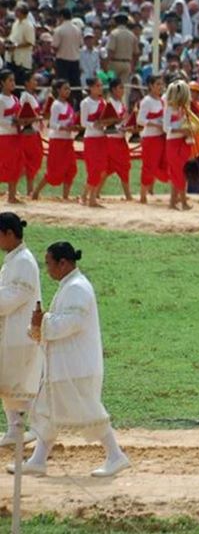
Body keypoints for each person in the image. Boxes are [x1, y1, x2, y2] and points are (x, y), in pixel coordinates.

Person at [17, 242, 131, 477]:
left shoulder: (77, 287)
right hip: (65, 364)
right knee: (49, 411)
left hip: (77, 366)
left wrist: (43, 321)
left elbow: (71, 323)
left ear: (63, 263)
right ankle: (38, 460)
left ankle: (115, 455)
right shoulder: (68, 285)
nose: (47, 269)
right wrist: (41, 324)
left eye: (49, 263)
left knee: (89, 412)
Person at [0, 213, 41, 447]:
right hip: (10, 334)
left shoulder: (23, 261)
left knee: (21, 385)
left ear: (9, 234)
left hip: (19, 334)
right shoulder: (14, 260)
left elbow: (12, 297)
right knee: (9, 383)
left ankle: (39, 430)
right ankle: (15, 431)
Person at [32, 80, 78, 201]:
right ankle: (36, 192)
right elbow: (52, 123)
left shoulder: (68, 105)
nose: (68, 91)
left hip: (68, 140)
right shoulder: (56, 105)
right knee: (54, 170)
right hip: (57, 141)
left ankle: (66, 196)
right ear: (58, 90)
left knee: (71, 168)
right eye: (65, 88)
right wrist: (63, 127)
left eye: (69, 88)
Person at [137, 76, 168, 204]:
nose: (160, 87)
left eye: (161, 84)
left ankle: (151, 190)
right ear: (150, 86)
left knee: (162, 165)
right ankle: (142, 195)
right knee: (149, 166)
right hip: (150, 138)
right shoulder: (146, 101)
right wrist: (155, 124)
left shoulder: (161, 101)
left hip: (161, 137)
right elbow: (140, 120)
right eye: (157, 84)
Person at [163, 81, 193, 211]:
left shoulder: (185, 109)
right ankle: (182, 202)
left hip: (183, 142)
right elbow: (166, 128)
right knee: (178, 172)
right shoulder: (169, 109)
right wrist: (182, 130)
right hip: (173, 143)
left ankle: (172, 202)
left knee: (180, 172)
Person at [79, 78, 109, 208]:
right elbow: (83, 122)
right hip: (91, 138)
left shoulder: (104, 102)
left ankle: (85, 194)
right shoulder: (86, 103)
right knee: (94, 169)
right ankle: (91, 198)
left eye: (101, 86)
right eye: (97, 86)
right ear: (91, 87)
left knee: (102, 169)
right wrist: (94, 124)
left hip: (102, 138)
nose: (100, 88)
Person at [102, 79, 133, 202]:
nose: (122, 90)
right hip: (112, 139)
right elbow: (105, 122)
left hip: (121, 138)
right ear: (113, 89)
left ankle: (95, 191)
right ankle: (128, 195)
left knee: (109, 168)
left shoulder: (121, 104)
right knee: (123, 165)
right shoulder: (108, 104)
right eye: (120, 88)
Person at [17, 71, 44, 197]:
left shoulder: (32, 96)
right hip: (28, 133)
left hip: (35, 131)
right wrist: (36, 118)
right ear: (27, 83)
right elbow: (23, 116)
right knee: (30, 160)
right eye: (33, 80)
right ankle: (18, 185)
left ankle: (29, 189)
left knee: (35, 160)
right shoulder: (25, 97)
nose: (36, 82)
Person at [0, 70, 21, 204]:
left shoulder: (15, 98)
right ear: (2, 83)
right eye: (10, 80)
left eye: (14, 80)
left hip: (16, 135)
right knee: (4, 165)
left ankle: (12, 195)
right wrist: (13, 123)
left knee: (15, 165)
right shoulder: (1, 99)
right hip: (4, 136)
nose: (13, 83)